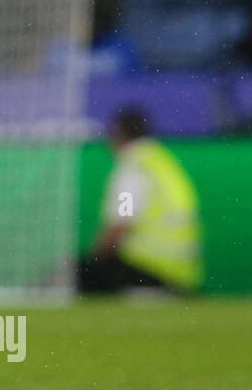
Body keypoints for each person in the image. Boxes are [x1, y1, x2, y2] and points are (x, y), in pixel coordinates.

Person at [79, 108, 201, 295]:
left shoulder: (133, 171)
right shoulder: (162, 163)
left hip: (149, 271)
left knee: (77, 273)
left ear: (118, 135)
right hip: (181, 276)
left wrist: (94, 260)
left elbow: (121, 223)